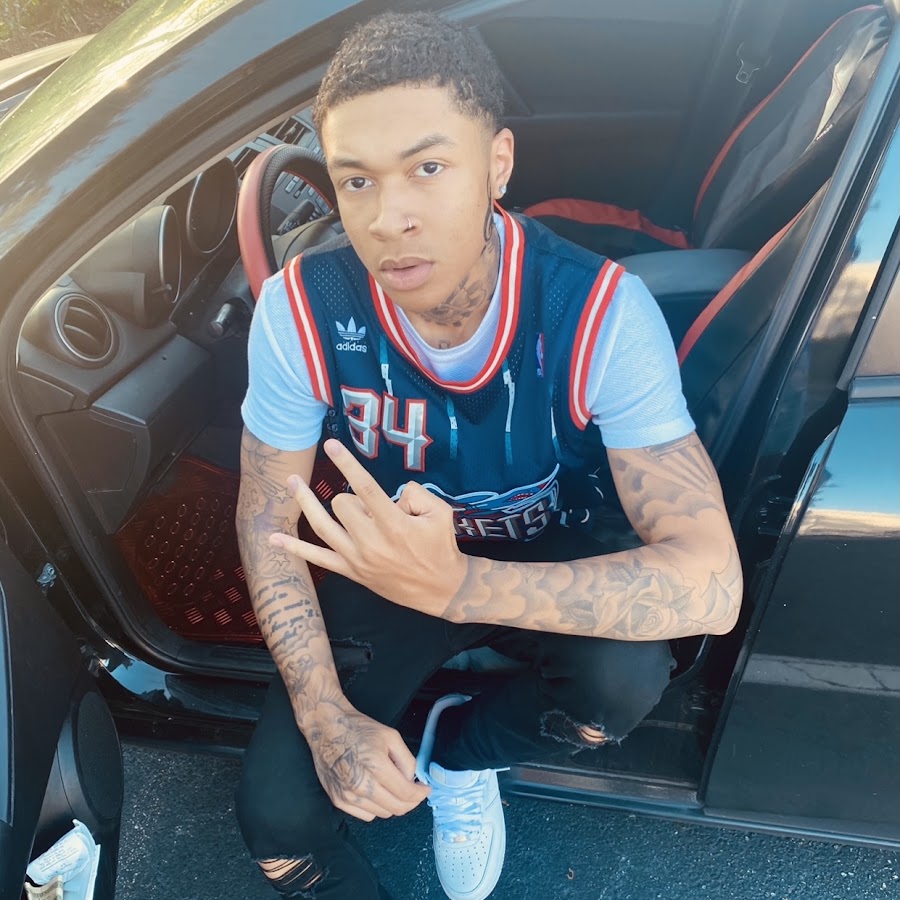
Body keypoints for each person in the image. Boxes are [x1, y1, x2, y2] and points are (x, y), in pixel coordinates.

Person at [235, 11, 742, 900]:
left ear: (497, 164)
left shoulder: (597, 313)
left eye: (428, 168)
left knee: (621, 680)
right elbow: (264, 506)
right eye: (357, 181)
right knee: (278, 824)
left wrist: (459, 586)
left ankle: (461, 760)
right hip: (385, 568)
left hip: (540, 550)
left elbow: (713, 585)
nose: (389, 218)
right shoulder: (301, 310)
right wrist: (324, 719)